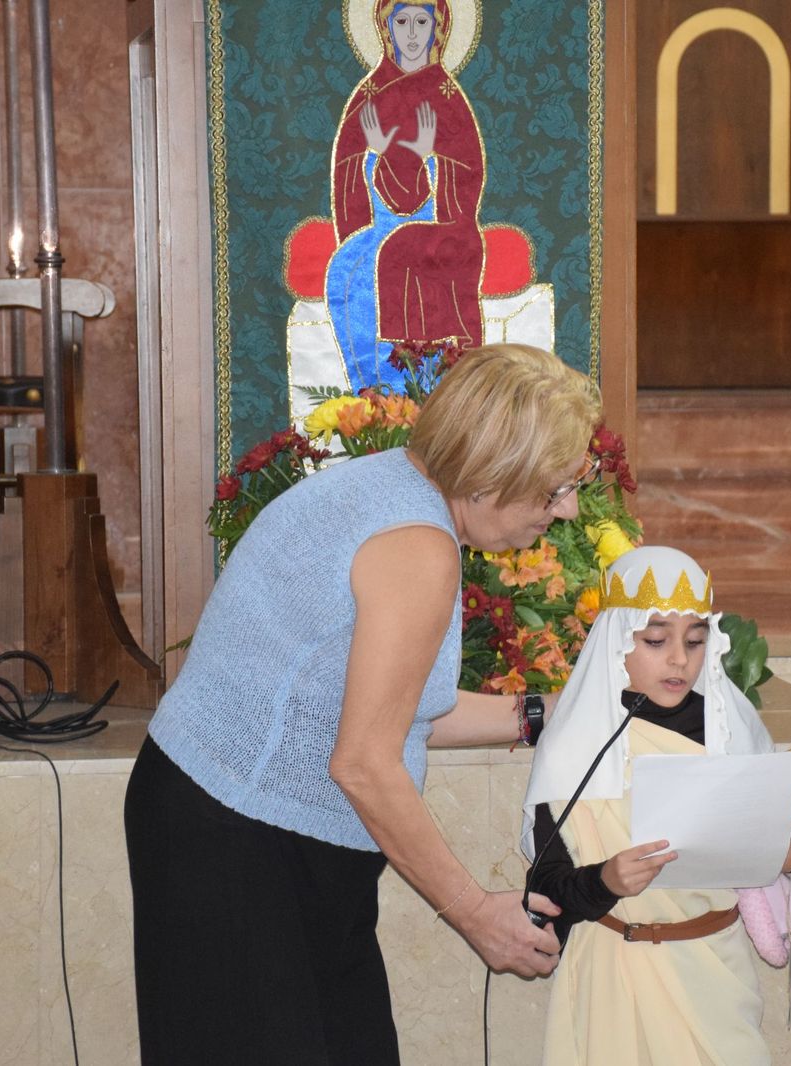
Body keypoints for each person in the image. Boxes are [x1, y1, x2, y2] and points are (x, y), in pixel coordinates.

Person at [125, 344, 600, 1064]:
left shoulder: (394, 491)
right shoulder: (416, 545)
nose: (565, 512)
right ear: (489, 475)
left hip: (242, 823)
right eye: (552, 490)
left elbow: (383, 709)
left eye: (575, 485)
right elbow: (366, 761)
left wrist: (542, 713)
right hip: (235, 838)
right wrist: (475, 913)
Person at [522, 545, 791, 1066]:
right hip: (611, 974)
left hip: (715, 971)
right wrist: (605, 882)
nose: (680, 660)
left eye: (696, 641)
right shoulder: (576, 745)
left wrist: (787, 855)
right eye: (656, 640)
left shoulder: (728, 730)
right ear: (619, 640)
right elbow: (546, 888)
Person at [327, 0, 485, 392]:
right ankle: (372, 396)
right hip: (374, 224)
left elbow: (466, 174)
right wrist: (376, 156)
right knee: (347, 270)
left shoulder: (448, 97)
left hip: (441, 224)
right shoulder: (368, 95)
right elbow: (348, 171)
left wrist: (429, 159)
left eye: (421, 21)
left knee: (400, 251)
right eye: (402, 21)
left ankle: (427, 394)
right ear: (385, 28)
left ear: (438, 29)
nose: (412, 34)